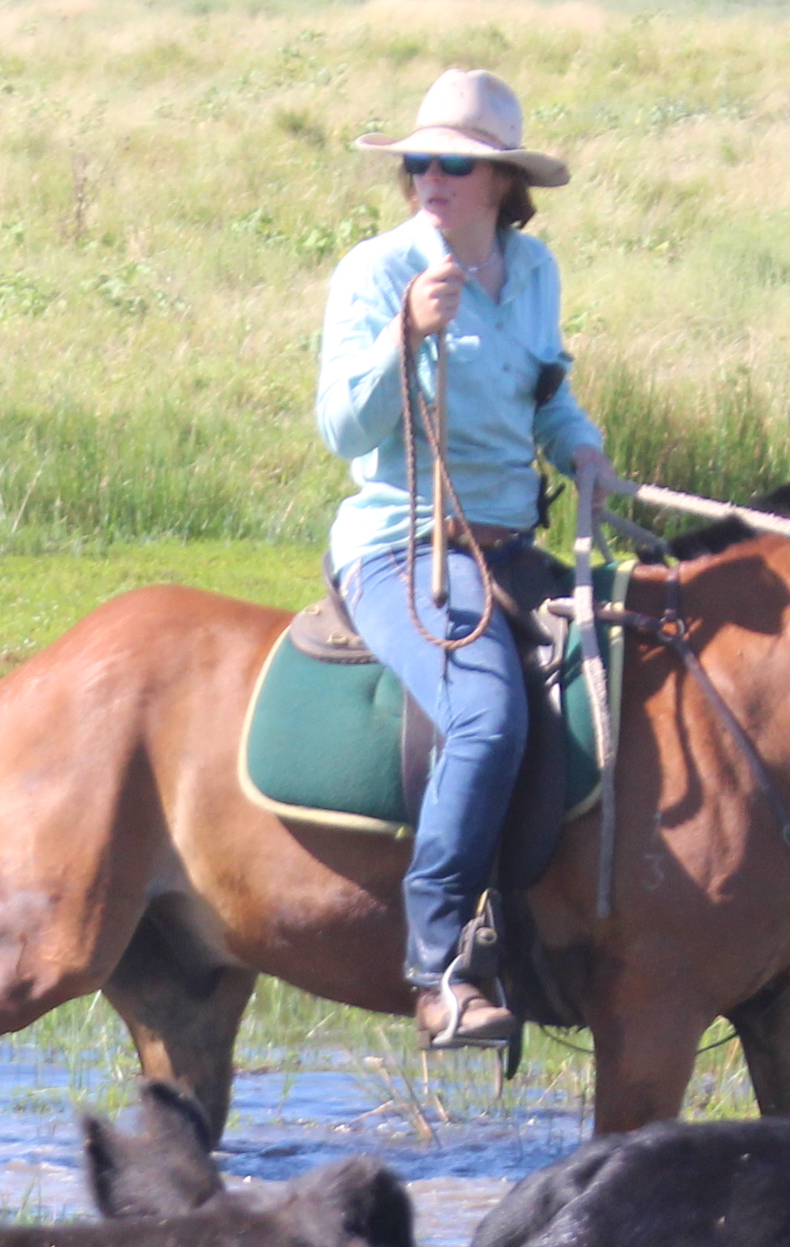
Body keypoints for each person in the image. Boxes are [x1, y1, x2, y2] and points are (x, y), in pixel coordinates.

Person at [317, 69, 611, 1052]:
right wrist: (406, 335)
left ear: (499, 184)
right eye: (417, 162)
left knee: (638, 668)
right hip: (401, 544)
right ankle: (439, 965)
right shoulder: (376, 273)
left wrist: (582, 445)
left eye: (452, 163)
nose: (428, 178)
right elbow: (340, 426)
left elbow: (547, 394)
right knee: (485, 718)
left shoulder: (534, 274)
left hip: (511, 545)